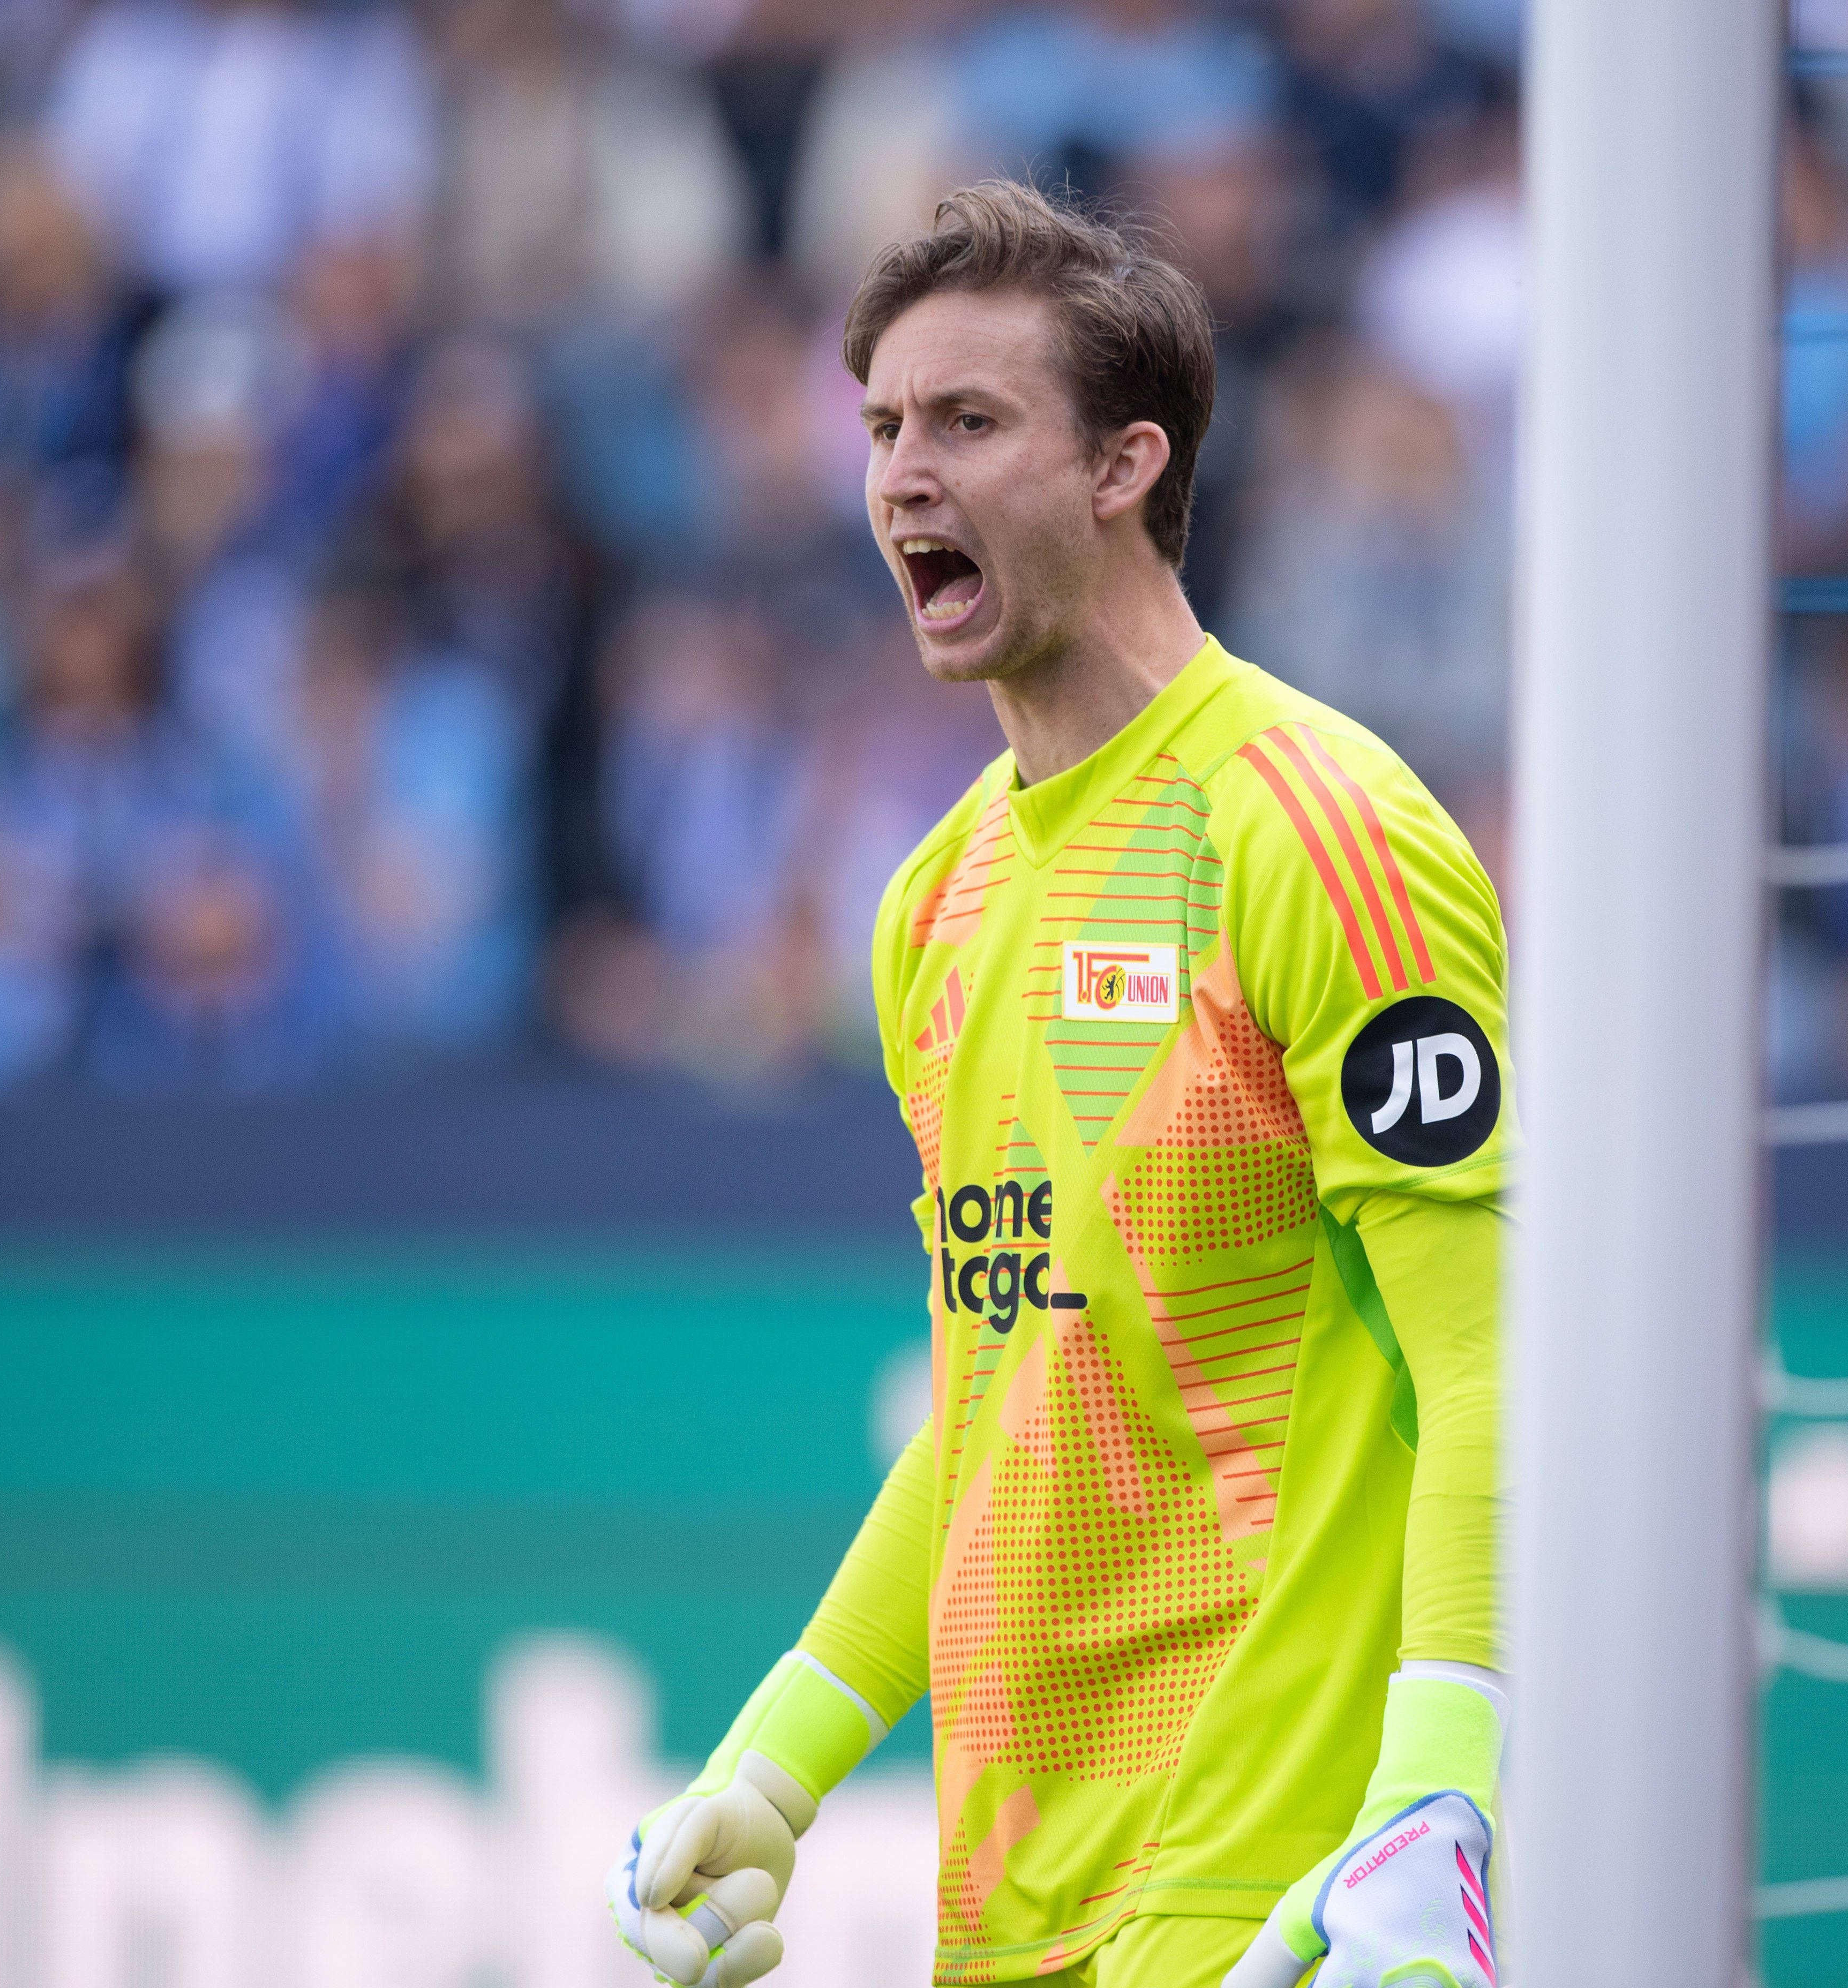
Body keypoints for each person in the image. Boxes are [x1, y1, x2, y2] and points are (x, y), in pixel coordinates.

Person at [609, 182, 1508, 1988]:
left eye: (967, 421)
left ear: (1124, 467)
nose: (899, 479)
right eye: (879, 429)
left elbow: (1492, 1357)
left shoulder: (1317, 832)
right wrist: (780, 1764)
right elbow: (1008, 1380)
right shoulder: (932, 908)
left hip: (1272, 1880)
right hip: (1016, 1890)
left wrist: (1443, 1795)